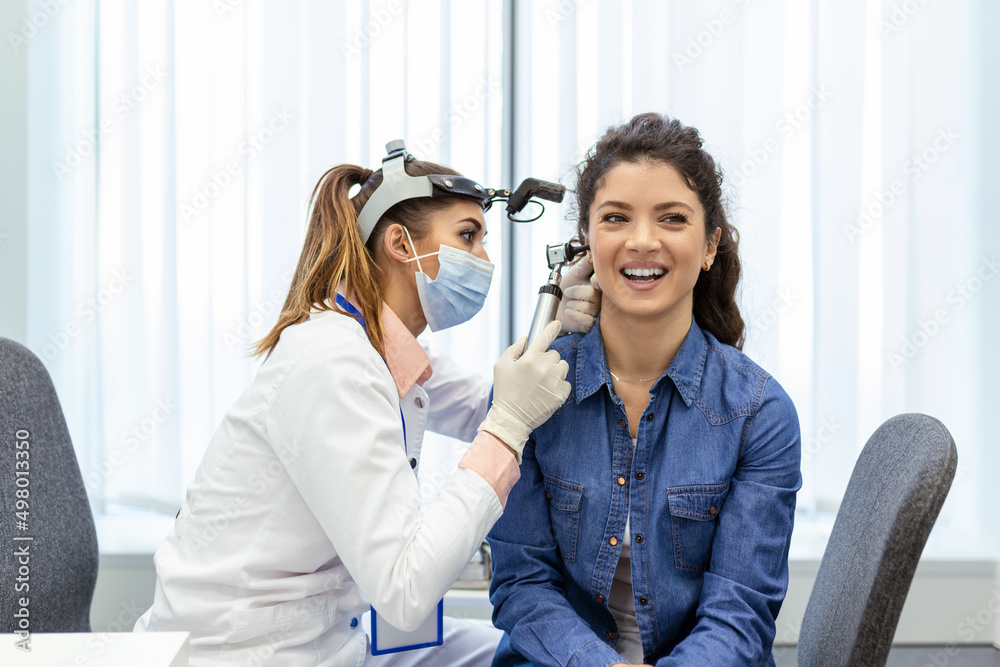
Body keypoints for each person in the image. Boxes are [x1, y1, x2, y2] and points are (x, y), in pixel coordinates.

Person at [134, 141, 594, 666]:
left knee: (514, 655)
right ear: (400, 243)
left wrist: (560, 324)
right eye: (468, 236)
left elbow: (486, 405)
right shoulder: (335, 363)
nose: (486, 261)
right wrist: (510, 423)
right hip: (247, 653)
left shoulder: (375, 345)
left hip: (330, 639)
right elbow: (406, 589)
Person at [488, 113, 802, 666]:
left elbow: (740, 614)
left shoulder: (758, 412)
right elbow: (522, 587)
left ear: (709, 247)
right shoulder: (530, 395)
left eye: (672, 219)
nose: (642, 241)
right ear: (586, 242)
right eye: (616, 218)